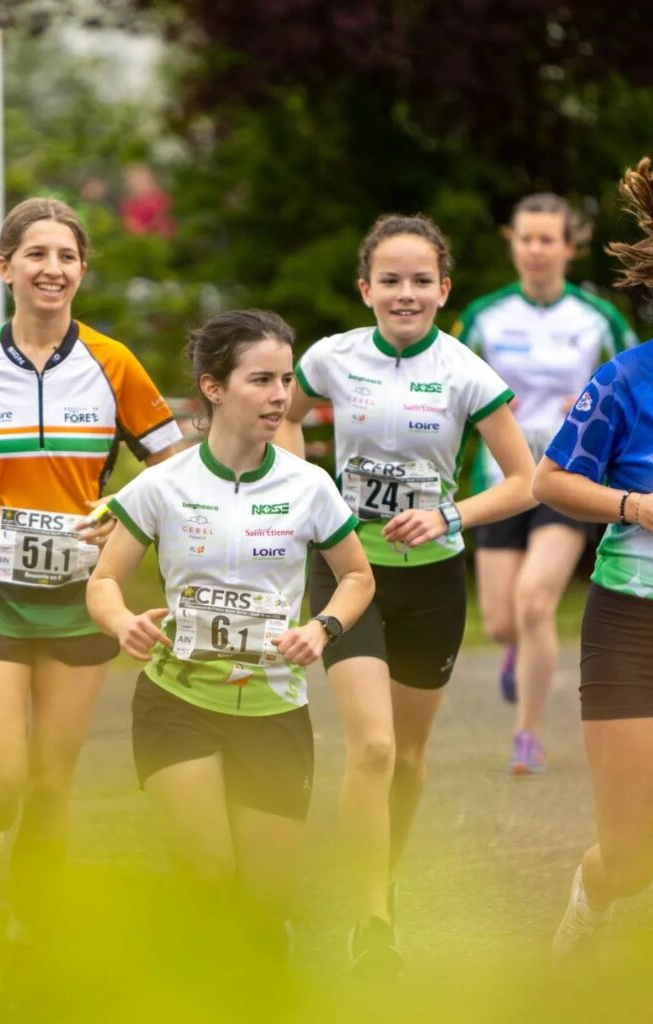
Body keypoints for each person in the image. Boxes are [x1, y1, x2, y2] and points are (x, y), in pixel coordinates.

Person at [0, 197, 182, 942]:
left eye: (66, 257)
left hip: (80, 598)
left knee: (50, 786)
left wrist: (121, 512)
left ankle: (32, 931)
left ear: (82, 271)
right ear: (5, 269)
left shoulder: (114, 364)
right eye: (36, 255)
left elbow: (173, 464)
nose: (51, 269)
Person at [277, 214, 535, 976]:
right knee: (375, 745)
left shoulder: (465, 373)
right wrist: (308, 489)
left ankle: (378, 877)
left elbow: (526, 482)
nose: (405, 293)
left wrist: (449, 513)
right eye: (389, 280)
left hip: (433, 577)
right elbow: (284, 419)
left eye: (421, 280)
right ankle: (374, 918)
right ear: (365, 289)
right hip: (351, 567)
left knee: (410, 757)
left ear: (444, 289)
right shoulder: (331, 358)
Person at [87, 309, 374, 960]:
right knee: (209, 878)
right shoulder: (163, 484)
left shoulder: (309, 487)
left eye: (286, 380)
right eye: (262, 380)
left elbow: (357, 577)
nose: (280, 396)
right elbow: (103, 582)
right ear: (214, 388)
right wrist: (123, 622)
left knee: (264, 905)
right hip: (178, 704)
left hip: (274, 710)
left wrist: (322, 628)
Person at [455, 193, 638, 773]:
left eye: (546, 239)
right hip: (503, 480)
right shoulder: (484, 316)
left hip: (567, 481)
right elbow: (453, 389)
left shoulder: (597, 318)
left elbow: (634, 385)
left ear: (568, 247)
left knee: (535, 604)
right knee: (502, 618)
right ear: (512, 243)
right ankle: (514, 654)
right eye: (525, 238)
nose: (535, 250)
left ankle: (526, 734)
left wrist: (587, 402)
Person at [532, 158, 653, 958]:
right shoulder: (624, 381)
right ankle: (596, 893)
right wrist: (634, 506)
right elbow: (548, 479)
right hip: (630, 628)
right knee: (635, 853)